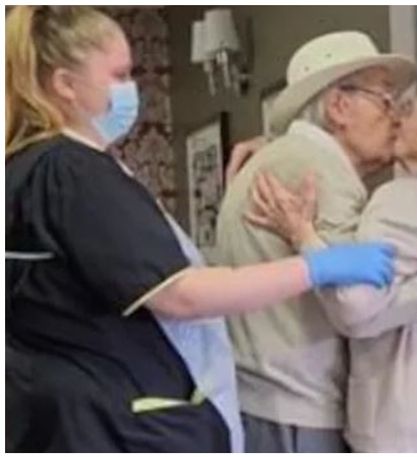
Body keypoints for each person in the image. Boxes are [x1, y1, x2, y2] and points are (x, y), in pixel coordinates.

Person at [5, 7, 396, 452]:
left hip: (60, 410)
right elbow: (182, 294)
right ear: (65, 84)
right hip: (112, 419)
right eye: (120, 74)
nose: (132, 90)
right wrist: (317, 265)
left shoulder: (23, 169)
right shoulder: (73, 171)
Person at [215, 32, 417, 452]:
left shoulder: (285, 159)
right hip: (299, 412)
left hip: (268, 403)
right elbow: (358, 303)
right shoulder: (320, 173)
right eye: (386, 100)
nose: (396, 116)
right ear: (338, 107)